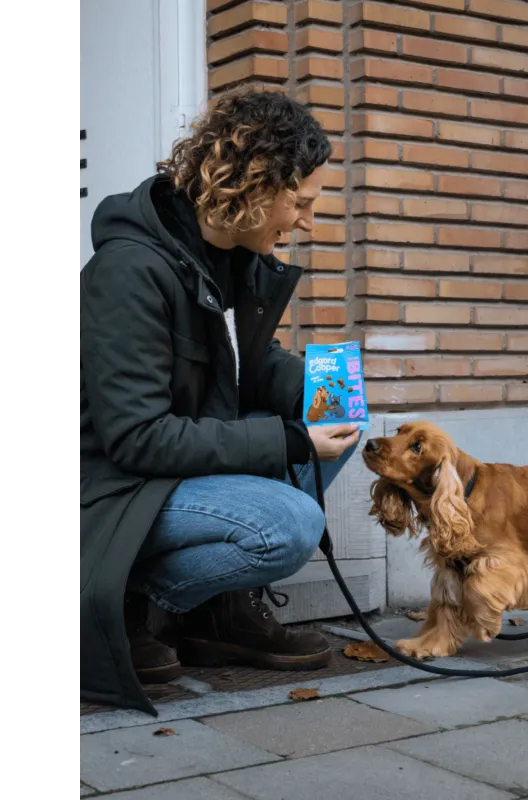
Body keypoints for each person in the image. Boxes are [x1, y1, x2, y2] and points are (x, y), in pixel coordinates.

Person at [80, 88, 360, 715]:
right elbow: (137, 437)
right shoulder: (129, 271)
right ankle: (118, 596)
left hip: (172, 465)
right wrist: (292, 440)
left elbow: (252, 366)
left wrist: (325, 388)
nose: (308, 222)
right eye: (302, 202)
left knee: (335, 423)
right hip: (114, 483)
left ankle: (218, 616)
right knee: (288, 525)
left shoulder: (233, 260)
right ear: (258, 185)